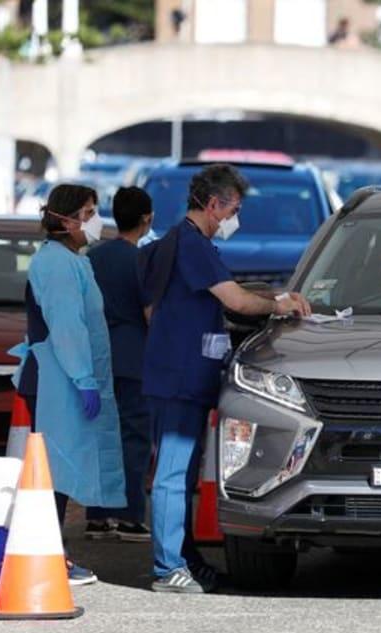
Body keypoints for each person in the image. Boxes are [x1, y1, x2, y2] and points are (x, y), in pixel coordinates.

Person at [139, 164, 310, 594]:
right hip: (178, 375)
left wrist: (274, 295)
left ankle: (185, 558)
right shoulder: (191, 245)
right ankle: (166, 568)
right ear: (213, 205)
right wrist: (279, 306)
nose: (237, 218)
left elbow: (231, 289)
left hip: (185, 373)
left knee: (184, 477)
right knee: (172, 476)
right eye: (234, 208)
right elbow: (234, 299)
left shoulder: (189, 243)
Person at [12, 183, 126, 586]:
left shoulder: (71, 260)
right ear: (67, 218)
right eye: (89, 211)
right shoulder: (57, 264)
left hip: (66, 376)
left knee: (57, 471)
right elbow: (67, 327)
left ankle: (54, 552)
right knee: (54, 471)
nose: (95, 220)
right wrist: (83, 379)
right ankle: (50, 556)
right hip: (58, 378)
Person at [84, 187, 155, 542]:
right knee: (134, 438)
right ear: (146, 219)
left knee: (100, 437)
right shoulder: (141, 261)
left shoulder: (93, 257)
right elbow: (150, 313)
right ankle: (129, 516)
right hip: (133, 358)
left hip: (97, 359)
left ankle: (96, 516)